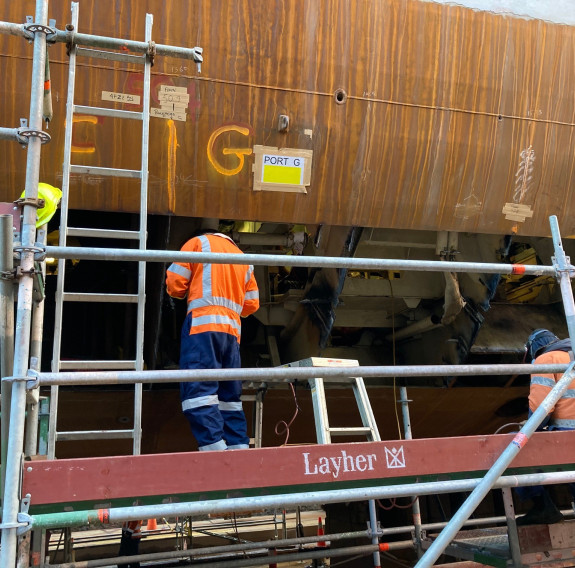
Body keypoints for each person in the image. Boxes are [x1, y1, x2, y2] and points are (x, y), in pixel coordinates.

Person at [166, 229, 259, 451]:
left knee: (198, 390)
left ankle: (214, 448)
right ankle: (238, 447)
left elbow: (175, 286)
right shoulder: (243, 258)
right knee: (229, 395)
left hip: (202, 328)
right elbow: (252, 305)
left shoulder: (196, 243)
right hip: (232, 333)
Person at [516, 328, 575, 525]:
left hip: (568, 438)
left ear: (534, 350)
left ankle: (544, 507)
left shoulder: (546, 360)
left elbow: (540, 414)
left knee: (514, 447)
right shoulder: (571, 355)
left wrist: (529, 424)